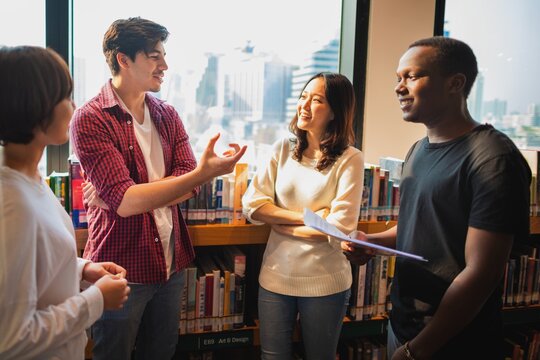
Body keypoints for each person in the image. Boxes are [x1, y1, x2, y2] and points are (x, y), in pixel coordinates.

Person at [343, 36, 531, 359]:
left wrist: (419, 349)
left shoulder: (493, 159)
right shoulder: (418, 150)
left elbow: (481, 274)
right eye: (397, 79)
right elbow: (416, 228)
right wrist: (370, 242)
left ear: (455, 83)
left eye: (412, 77)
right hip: (402, 325)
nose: (399, 87)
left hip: (452, 341)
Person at [70, 17, 246, 360]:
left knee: (162, 353)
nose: (164, 65)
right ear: (123, 59)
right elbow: (128, 201)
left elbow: (168, 189)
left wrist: (134, 194)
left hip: (171, 264)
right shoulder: (91, 118)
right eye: (154, 56)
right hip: (119, 268)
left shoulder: (167, 114)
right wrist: (192, 177)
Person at [0, 45, 130, 359]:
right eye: (64, 96)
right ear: (34, 106)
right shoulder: (13, 204)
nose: (73, 105)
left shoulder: (30, 180)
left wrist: (83, 269)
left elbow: (33, 265)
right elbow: (11, 338)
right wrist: (96, 299)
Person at [242, 72, 364, 359]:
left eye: (317, 99)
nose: (304, 105)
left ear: (336, 111)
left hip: (325, 280)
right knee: (272, 356)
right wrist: (307, 218)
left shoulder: (351, 159)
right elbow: (253, 206)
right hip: (275, 277)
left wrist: (279, 222)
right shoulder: (282, 149)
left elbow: (339, 228)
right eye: (303, 97)